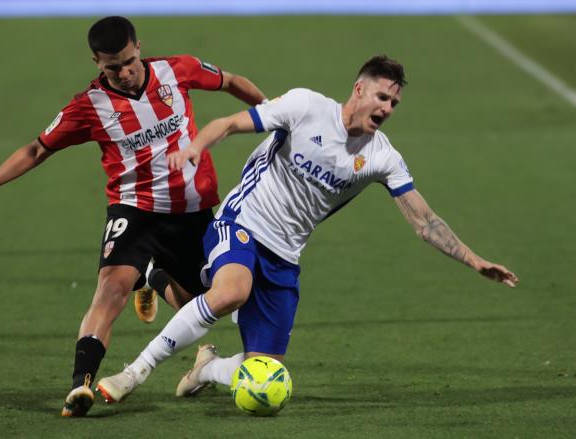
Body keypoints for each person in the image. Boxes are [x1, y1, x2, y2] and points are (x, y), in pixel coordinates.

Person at [90, 55, 519, 403]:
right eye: (382, 97)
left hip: (285, 256)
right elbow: (229, 124)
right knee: (231, 292)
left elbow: (424, 221)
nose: (386, 109)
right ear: (358, 89)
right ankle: (133, 373)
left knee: (265, 371)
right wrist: (195, 148)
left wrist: (473, 260)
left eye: (394, 104)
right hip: (242, 223)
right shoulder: (305, 107)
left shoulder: (382, 157)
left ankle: (208, 366)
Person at [0, 16, 267, 417]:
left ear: (138, 47)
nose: (123, 73)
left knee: (203, 305)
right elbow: (37, 149)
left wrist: (271, 114)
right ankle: (81, 385)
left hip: (192, 213)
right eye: (112, 67)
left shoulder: (177, 70)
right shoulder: (89, 106)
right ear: (96, 62)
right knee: (111, 290)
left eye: (128, 62)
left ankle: (153, 276)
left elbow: (229, 81)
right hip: (134, 210)